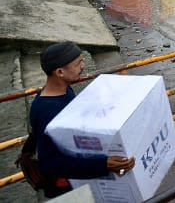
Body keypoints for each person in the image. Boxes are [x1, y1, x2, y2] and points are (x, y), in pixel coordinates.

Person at [29, 42, 135, 198]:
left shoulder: (64, 90)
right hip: (67, 189)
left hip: (83, 179)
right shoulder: (46, 110)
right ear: (60, 72)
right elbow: (50, 163)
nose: (83, 66)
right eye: (78, 63)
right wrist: (104, 164)